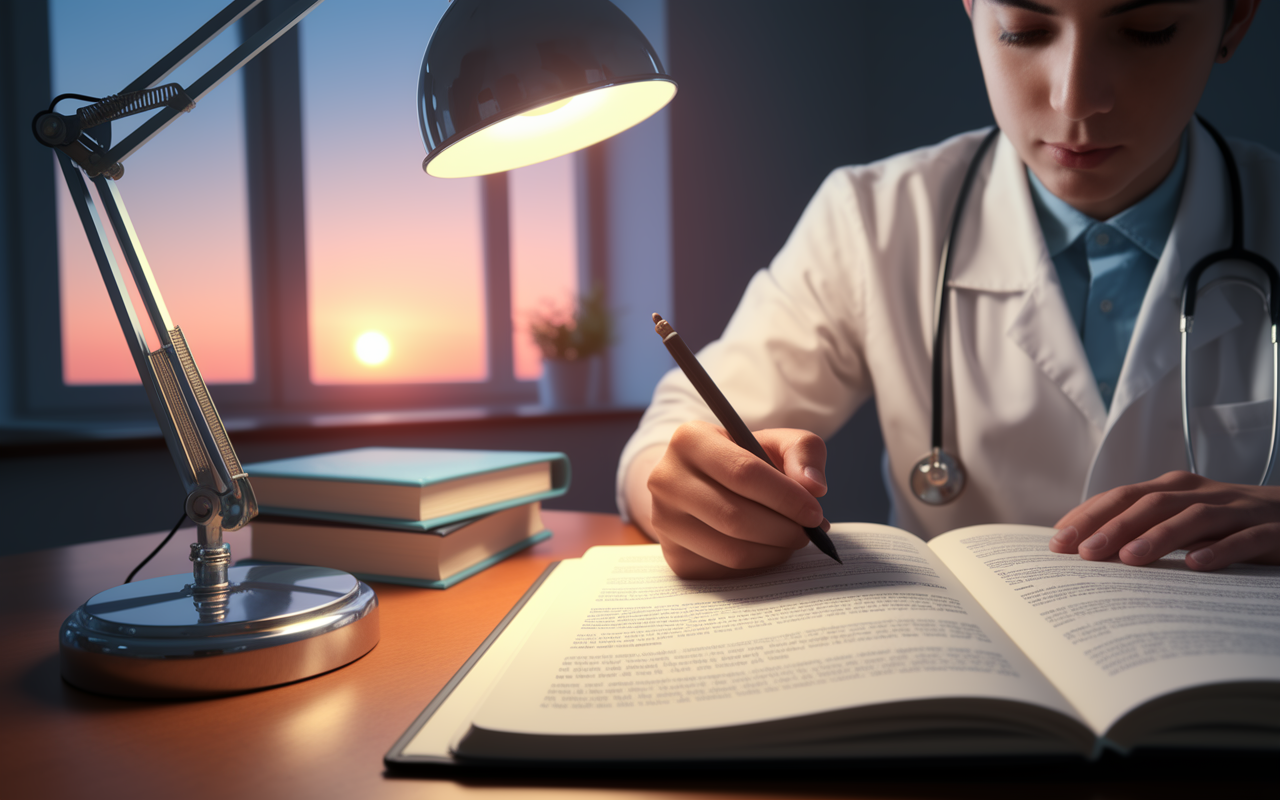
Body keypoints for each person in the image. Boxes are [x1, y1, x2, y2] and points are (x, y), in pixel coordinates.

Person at [617, 0, 1280, 579]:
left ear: (1236, 18)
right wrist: (681, 491)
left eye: (1147, 30)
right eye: (1024, 29)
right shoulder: (874, 218)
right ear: (971, 7)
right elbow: (669, 441)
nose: (1074, 100)